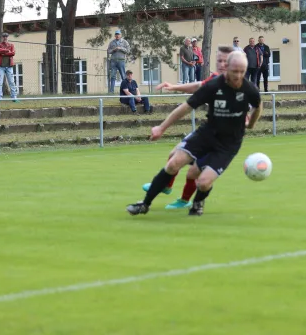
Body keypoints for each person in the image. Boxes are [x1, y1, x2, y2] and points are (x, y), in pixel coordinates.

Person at [126, 51, 262, 217]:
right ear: (227, 68)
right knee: (173, 163)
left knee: (203, 183)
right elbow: (186, 107)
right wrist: (161, 128)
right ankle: (145, 204)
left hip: (228, 144)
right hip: (207, 134)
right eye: (235, 71)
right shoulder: (213, 86)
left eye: (242, 71)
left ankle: (197, 204)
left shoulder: (249, 89)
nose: (238, 75)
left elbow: (258, 105)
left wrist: (252, 123)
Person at [142, 45, 233, 210]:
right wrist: (174, 86)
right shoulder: (214, 79)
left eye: (225, 61)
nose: (221, 64)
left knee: (193, 174)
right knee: (173, 155)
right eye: (218, 60)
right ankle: (167, 186)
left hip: (222, 142)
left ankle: (184, 200)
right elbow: (198, 85)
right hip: (206, 132)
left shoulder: (238, 86)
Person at [0, 32, 19, 102]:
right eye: (3, 36)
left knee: (12, 82)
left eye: (6, 37)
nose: (5, 38)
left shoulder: (11, 45)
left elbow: (13, 53)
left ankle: (14, 97)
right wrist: (7, 51)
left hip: (9, 66)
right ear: (2, 37)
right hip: (0, 66)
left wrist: (3, 53)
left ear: (8, 37)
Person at [107, 29, 130, 94]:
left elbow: (128, 50)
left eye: (118, 34)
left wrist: (121, 48)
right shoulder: (112, 42)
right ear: (115, 35)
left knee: (123, 76)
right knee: (113, 76)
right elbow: (108, 51)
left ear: (120, 35)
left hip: (121, 61)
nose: (117, 35)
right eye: (116, 34)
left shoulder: (124, 42)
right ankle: (111, 91)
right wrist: (113, 50)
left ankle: (126, 91)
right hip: (113, 61)